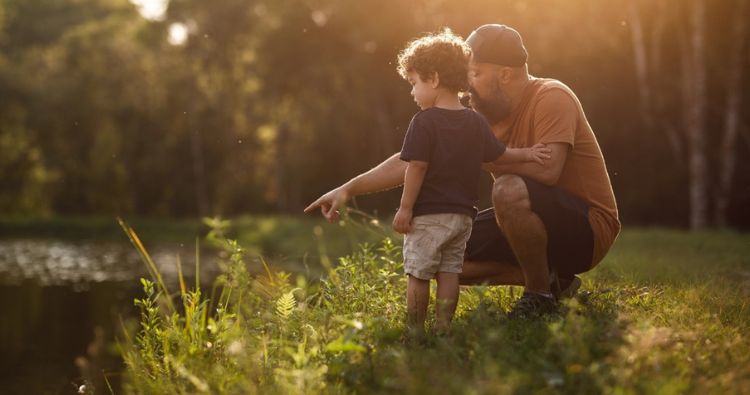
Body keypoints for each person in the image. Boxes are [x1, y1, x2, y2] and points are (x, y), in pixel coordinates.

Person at [305, 24, 620, 319]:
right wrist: (347, 189)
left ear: (506, 75)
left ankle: (539, 297)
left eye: (476, 74)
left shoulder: (551, 96)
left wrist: (478, 158)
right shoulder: (481, 118)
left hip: (588, 228)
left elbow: (549, 171)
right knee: (443, 252)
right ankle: (555, 283)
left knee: (507, 189)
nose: (467, 85)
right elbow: (413, 159)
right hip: (524, 218)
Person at [391, 29, 551, 332]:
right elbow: (501, 153)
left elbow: (417, 167)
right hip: (463, 217)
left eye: (414, 83)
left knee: (419, 273)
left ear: (434, 79)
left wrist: (405, 208)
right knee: (450, 272)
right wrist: (529, 154)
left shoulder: (423, 122)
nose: (412, 92)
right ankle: (443, 328)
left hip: (428, 215)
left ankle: (414, 331)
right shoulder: (475, 121)